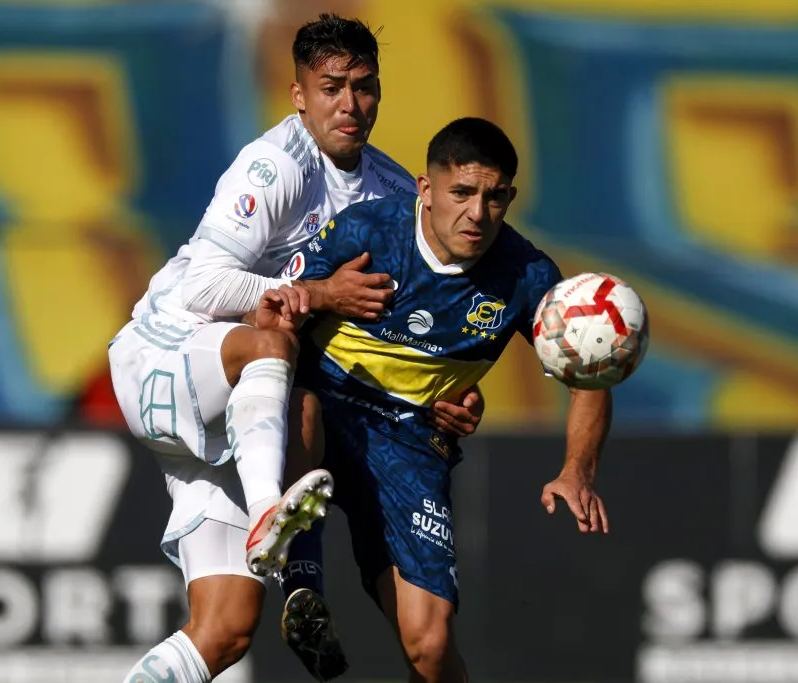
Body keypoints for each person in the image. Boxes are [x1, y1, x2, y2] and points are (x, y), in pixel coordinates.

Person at [107, 14, 482, 683]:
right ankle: (268, 519)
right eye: (331, 87)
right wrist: (321, 292)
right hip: (165, 356)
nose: (349, 104)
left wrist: (451, 390)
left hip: (243, 417)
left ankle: (272, 536)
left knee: (224, 632)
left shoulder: (395, 195)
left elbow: (414, 325)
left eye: (363, 87)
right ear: (299, 95)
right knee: (272, 342)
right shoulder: (276, 165)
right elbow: (203, 285)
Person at [266, 116, 612, 683]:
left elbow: (589, 376)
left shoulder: (528, 276)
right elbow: (273, 314)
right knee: (298, 408)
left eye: (494, 197)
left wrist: (577, 471)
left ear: (510, 199)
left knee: (430, 644)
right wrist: (321, 294)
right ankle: (303, 586)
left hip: (411, 442)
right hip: (327, 403)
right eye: (462, 193)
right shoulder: (367, 230)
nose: (477, 213)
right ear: (425, 190)